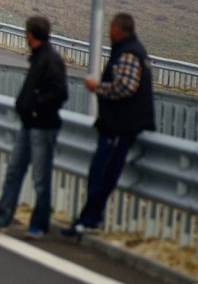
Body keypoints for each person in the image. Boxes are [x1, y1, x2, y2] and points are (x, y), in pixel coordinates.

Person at [0, 16, 67, 238]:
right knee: (15, 172)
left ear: (30, 34)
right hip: (30, 124)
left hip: (42, 127)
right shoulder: (39, 58)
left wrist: (35, 107)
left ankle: (38, 225)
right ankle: (1, 218)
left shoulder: (49, 60)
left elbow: (60, 93)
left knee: (39, 179)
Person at [64, 12, 155, 237]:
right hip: (120, 125)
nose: (109, 32)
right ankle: (91, 218)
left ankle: (89, 219)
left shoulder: (128, 53)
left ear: (117, 30)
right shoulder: (133, 50)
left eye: (111, 28)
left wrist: (97, 88)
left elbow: (126, 87)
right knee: (102, 174)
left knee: (102, 174)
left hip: (120, 126)